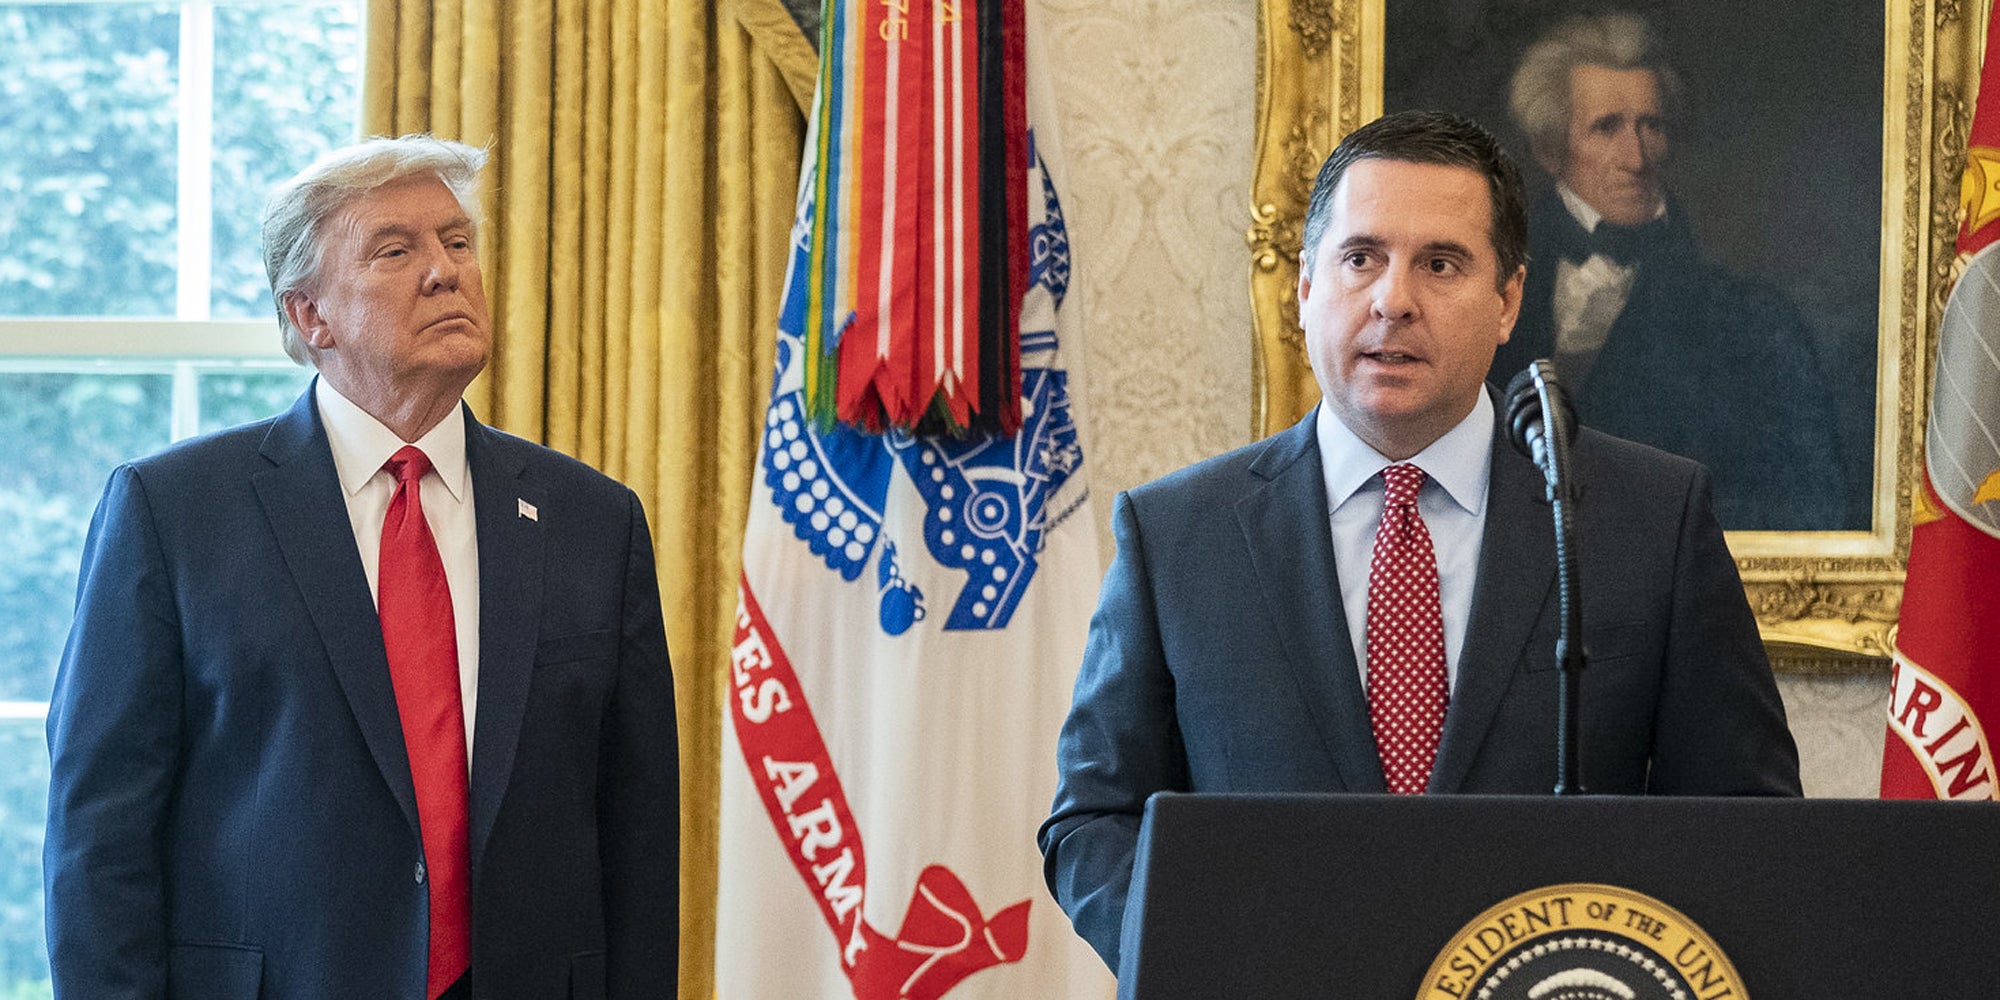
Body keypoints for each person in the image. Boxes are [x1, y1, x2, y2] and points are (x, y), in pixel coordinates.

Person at [1037, 110, 1800, 973]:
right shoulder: (1177, 535)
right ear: (1304, 288)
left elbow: (1749, 824)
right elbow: (1094, 817)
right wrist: (1203, 954)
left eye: (1440, 264)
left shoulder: (1647, 518)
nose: (1393, 299)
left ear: (1510, 299)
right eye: (1361, 257)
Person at [44, 135, 679, 1000]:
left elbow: (638, 834)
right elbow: (100, 834)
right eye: (396, 250)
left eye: (458, 243)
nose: (445, 271)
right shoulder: (175, 512)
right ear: (311, 316)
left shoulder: (593, 520)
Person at [1492, 12, 1851, 529]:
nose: (1636, 157)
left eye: (1651, 126)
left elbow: (1808, 508)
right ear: (1551, 149)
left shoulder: (1756, 324)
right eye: (1606, 127)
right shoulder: (1485, 292)